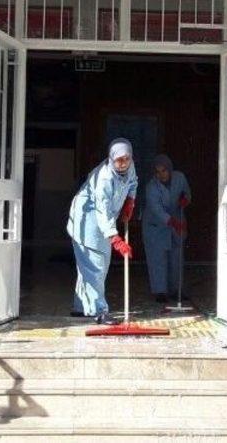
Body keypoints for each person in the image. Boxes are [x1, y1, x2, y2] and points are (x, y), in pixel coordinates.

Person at [66, 138, 137, 326]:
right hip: (87, 222)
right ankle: (100, 311)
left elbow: (133, 182)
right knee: (95, 266)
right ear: (111, 159)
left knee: (95, 266)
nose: (123, 164)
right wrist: (115, 239)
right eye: (118, 160)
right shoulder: (104, 178)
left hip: (104, 223)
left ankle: (81, 306)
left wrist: (130, 201)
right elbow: (102, 210)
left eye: (126, 159)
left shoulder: (130, 167)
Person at [141, 154, 191, 304]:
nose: (161, 175)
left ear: (169, 169)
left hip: (177, 221)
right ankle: (160, 291)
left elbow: (187, 192)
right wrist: (174, 223)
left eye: (164, 171)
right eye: (157, 172)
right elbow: (157, 210)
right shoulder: (152, 187)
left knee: (176, 258)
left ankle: (176, 290)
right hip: (156, 226)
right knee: (157, 259)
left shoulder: (180, 178)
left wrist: (185, 199)